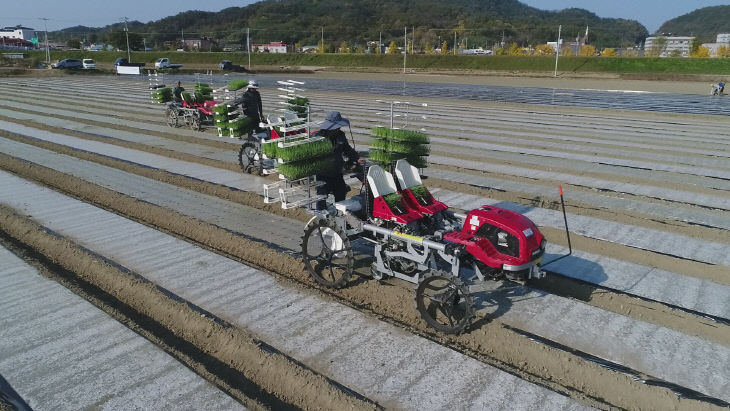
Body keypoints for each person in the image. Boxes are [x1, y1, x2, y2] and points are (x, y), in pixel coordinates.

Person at [315, 111, 365, 209]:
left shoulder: (340, 135)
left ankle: (339, 215)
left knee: (341, 193)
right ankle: (320, 217)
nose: (338, 129)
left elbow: (348, 149)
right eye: (336, 127)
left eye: (338, 127)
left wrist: (357, 158)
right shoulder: (318, 138)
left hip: (337, 172)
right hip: (323, 174)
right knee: (322, 196)